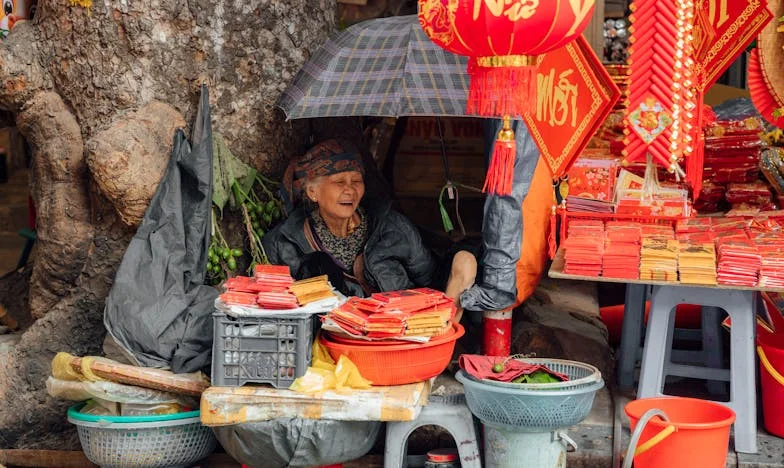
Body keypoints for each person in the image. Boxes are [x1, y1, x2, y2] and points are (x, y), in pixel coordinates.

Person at [263, 139, 477, 322]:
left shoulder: (393, 227)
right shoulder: (284, 242)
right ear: (312, 192)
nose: (350, 190)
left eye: (356, 181)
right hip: (333, 345)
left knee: (465, 260)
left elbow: (431, 279)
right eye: (339, 182)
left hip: (401, 333)